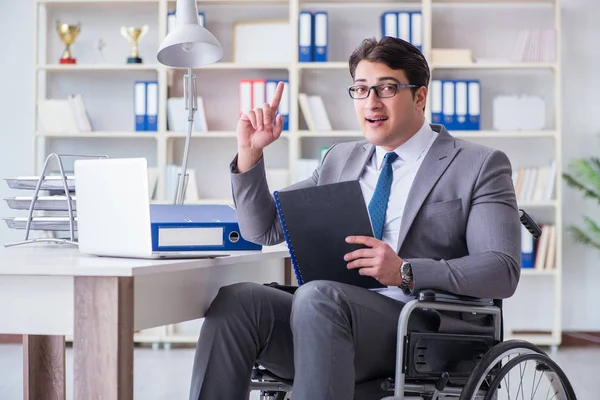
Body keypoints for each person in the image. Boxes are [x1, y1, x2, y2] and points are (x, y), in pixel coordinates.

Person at [188, 36, 521, 400]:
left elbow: (501, 270)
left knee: (318, 296)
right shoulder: (339, 159)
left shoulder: (477, 164)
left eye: (386, 88)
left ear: (420, 96)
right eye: (361, 90)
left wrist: (406, 270)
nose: (371, 102)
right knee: (237, 302)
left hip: (419, 325)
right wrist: (250, 154)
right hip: (324, 315)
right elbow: (263, 229)